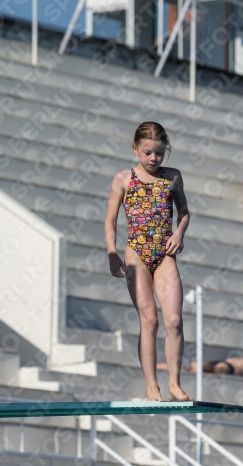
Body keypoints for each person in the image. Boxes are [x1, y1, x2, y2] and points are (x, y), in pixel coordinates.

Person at [104, 121, 193, 402]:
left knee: (175, 320)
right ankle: (151, 384)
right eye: (147, 153)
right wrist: (112, 252)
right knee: (149, 320)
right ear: (135, 149)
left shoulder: (172, 177)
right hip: (136, 255)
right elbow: (110, 220)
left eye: (158, 153)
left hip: (165, 255)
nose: (153, 159)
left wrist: (179, 232)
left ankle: (174, 384)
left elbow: (185, 212)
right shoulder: (123, 179)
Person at [157, 358, 243, 382]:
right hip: (226, 367)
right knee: (193, 369)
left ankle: (158, 366)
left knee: (189, 368)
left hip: (223, 363)